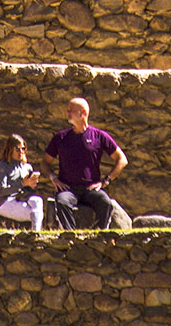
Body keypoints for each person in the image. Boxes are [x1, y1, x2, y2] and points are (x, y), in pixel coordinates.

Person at [43, 97, 128, 229]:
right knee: (62, 202)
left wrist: (106, 180)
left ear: (82, 112)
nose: (68, 113)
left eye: (71, 110)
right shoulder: (60, 137)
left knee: (105, 203)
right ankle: (70, 237)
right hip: (68, 189)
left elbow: (122, 160)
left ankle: (98, 236)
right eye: (68, 110)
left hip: (90, 189)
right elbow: (44, 163)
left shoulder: (99, 136)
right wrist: (53, 178)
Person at [0, 133, 44, 230]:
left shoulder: (27, 167)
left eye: (23, 148)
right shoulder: (3, 166)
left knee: (38, 201)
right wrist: (22, 184)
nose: (21, 152)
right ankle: (36, 234)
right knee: (37, 214)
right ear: (10, 150)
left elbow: (29, 190)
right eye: (17, 149)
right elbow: (2, 191)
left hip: (23, 198)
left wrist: (32, 184)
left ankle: (37, 233)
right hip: (6, 202)